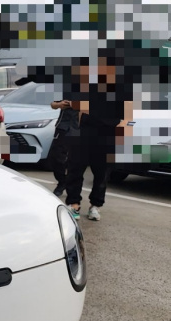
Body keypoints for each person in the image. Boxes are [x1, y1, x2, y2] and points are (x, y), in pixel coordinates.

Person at [64, 54, 133, 221]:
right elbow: (78, 106)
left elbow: (129, 113)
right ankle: (74, 203)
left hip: (109, 133)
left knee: (102, 172)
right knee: (75, 167)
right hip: (86, 130)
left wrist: (123, 129)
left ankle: (95, 205)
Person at [48, 97, 80, 196]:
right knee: (55, 157)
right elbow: (53, 104)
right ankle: (62, 182)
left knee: (76, 160)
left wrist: (74, 104)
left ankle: (73, 188)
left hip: (80, 128)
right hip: (62, 127)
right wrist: (59, 104)